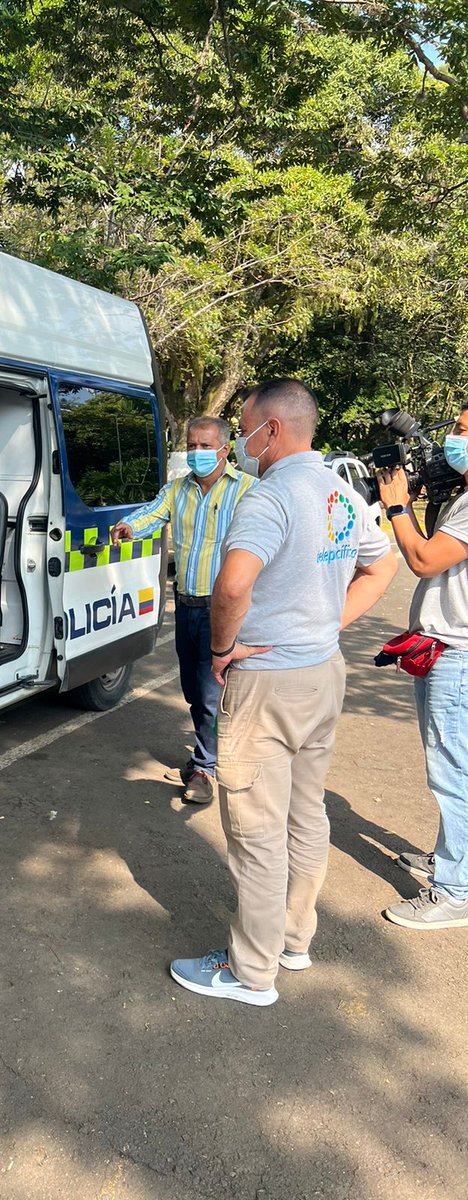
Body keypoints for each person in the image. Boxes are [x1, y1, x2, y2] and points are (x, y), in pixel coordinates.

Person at [169, 379, 397, 1006]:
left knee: (256, 829)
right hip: (322, 673)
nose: (241, 442)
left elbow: (232, 586)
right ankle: (294, 940)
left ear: (270, 430)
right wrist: (327, 625)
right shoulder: (341, 493)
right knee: (305, 813)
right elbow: (381, 566)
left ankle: (251, 971)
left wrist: (221, 650)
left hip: (268, 681)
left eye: (244, 429)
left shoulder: (269, 497)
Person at [111, 417, 256, 803]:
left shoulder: (249, 490)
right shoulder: (178, 490)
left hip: (223, 608)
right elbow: (151, 513)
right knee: (193, 689)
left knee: (211, 692)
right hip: (187, 605)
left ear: (225, 449)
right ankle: (208, 755)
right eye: (192, 445)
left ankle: (207, 768)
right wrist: (129, 526)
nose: (197, 452)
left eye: (205, 446)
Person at [378, 403, 468, 930]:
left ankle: (455, 891)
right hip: (447, 650)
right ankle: (453, 862)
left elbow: (424, 559)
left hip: (457, 656)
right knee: (455, 767)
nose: (454, 439)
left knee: (452, 773)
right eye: (456, 428)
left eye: (463, 431)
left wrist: (396, 506)